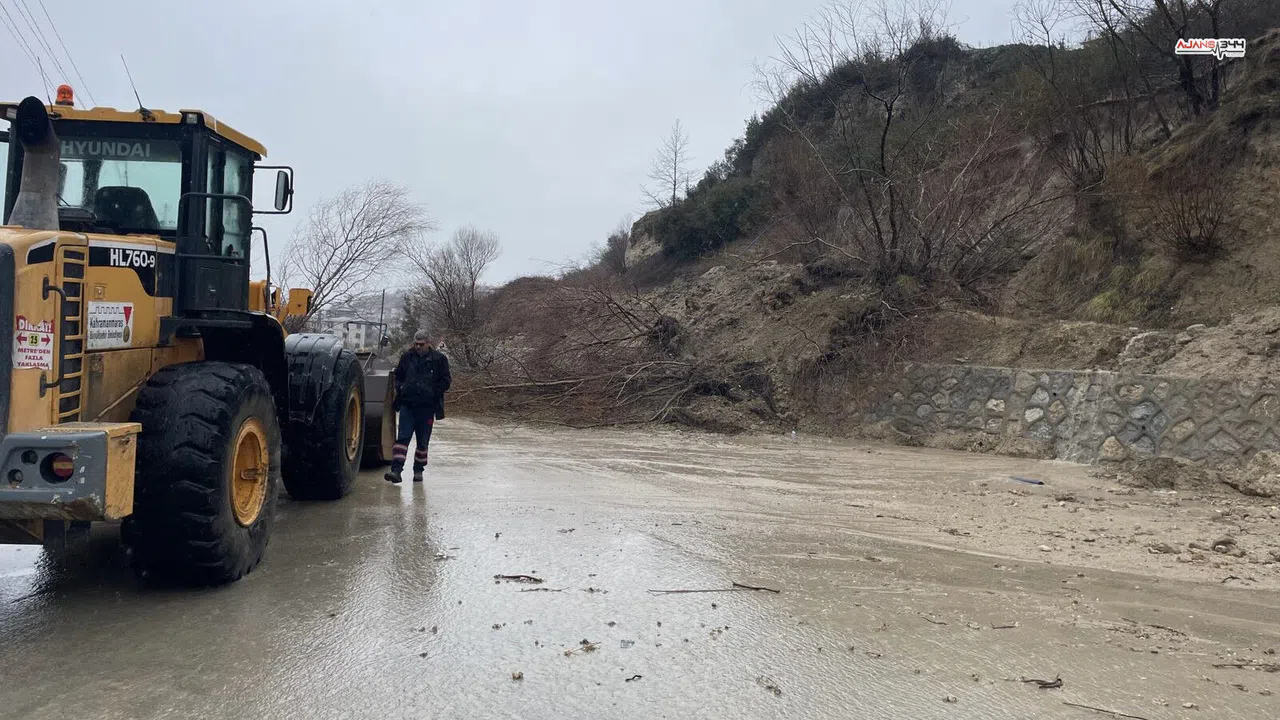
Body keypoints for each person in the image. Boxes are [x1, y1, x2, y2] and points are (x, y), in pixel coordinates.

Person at [385, 329, 451, 484]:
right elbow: (398, 376)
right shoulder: (407, 357)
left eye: (421, 344)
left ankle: (418, 470)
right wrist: (401, 388)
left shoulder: (439, 359)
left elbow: (446, 380)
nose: (418, 347)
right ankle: (396, 471)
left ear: (428, 343)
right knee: (402, 439)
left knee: (422, 442)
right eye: (416, 344)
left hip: (427, 408)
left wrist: (433, 391)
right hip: (408, 405)